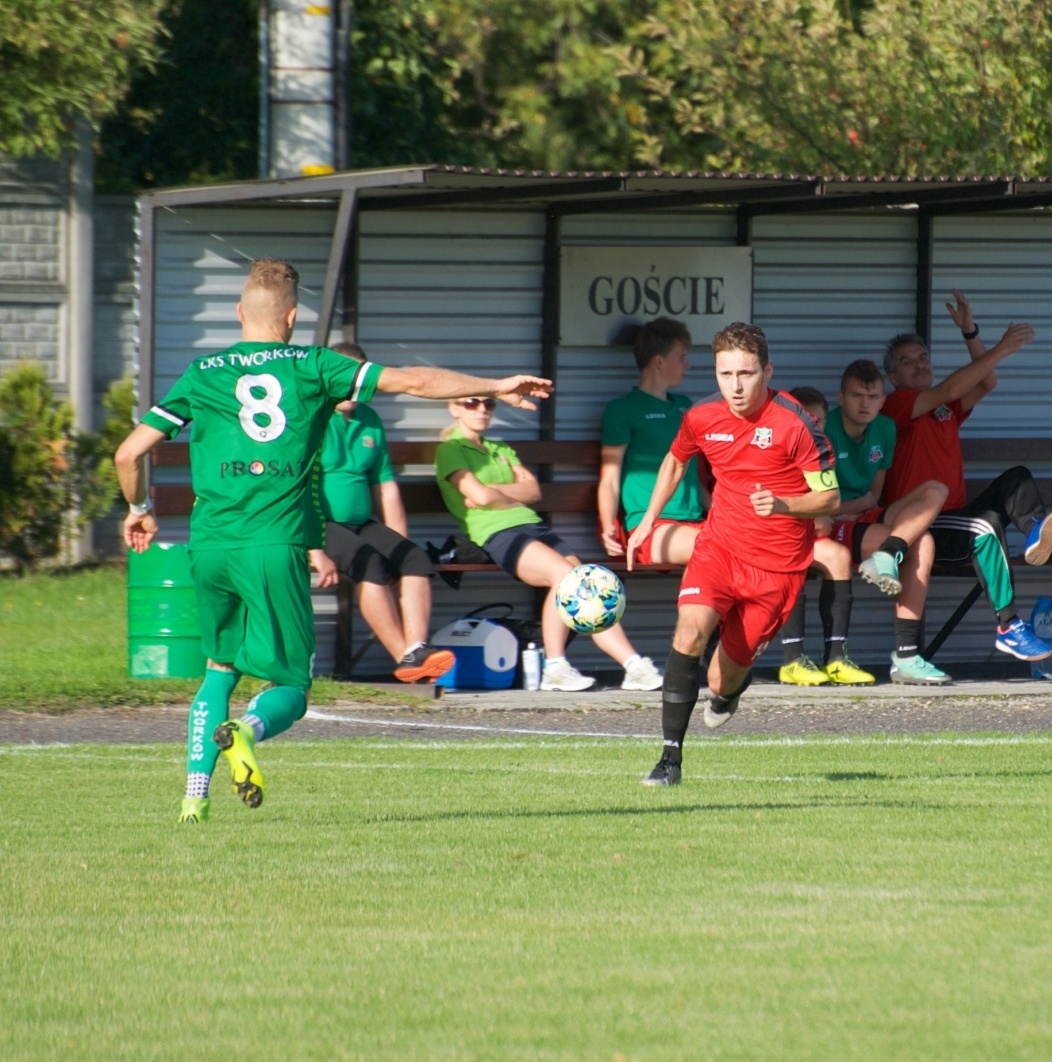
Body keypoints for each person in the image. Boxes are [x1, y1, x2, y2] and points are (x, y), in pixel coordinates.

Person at [114, 258, 554, 823]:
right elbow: (416, 381)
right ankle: (245, 730)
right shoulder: (312, 366)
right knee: (291, 685)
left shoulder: (203, 373)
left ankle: (193, 799)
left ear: (238, 312)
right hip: (272, 547)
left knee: (219, 668)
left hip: (210, 547)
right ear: (292, 318)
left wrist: (139, 508)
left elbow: (128, 453)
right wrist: (497, 384)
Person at [627, 322, 838, 786]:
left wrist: (785, 505)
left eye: (746, 373)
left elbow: (830, 499)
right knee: (689, 633)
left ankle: (726, 696)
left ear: (767, 370)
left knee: (722, 680)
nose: (735, 386)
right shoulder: (702, 416)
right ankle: (669, 762)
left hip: (777, 569)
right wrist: (647, 520)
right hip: (719, 547)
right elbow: (676, 458)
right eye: (726, 374)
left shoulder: (798, 423)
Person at [879, 291, 1052, 663]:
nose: (919, 366)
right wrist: (1001, 348)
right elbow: (951, 387)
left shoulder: (945, 408)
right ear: (893, 377)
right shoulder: (895, 405)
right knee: (984, 527)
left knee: (1015, 479)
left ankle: (1036, 532)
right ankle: (1008, 626)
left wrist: (970, 333)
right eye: (907, 362)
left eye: (923, 358)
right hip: (925, 526)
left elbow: (985, 382)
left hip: (955, 516)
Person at [435, 396, 663, 694]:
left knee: (589, 584)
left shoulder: (499, 447)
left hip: (532, 525)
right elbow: (478, 498)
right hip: (496, 532)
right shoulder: (450, 450)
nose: (481, 409)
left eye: (489, 404)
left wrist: (493, 491)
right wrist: (500, 493)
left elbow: (533, 492)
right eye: (471, 403)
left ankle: (633, 666)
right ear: (453, 408)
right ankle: (554, 667)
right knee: (566, 578)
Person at [318, 341, 454, 683]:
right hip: (318, 523)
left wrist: (397, 543)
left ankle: (417, 649)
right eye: (343, 377)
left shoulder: (369, 420)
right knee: (370, 563)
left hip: (361, 522)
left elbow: (386, 487)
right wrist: (312, 547)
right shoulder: (311, 417)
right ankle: (405, 660)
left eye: (357, 379)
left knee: (413, 559)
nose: (351, 386)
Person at [822, 362, 953, 685]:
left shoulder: (885, 429)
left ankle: (887, 554)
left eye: (872, 396)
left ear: (883, 400)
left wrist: (862, 505)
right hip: (832, 523)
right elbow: (824, 502)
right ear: (841, 397)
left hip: (863, 514)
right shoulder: (826, 428)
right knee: (924, 543)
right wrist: (852, 506)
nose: (864, 403)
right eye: (856, 395)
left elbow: (875, 495)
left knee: (937, 489)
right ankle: (907, 655)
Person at [771, 386, 883, 687]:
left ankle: (835, 658)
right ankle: (792, 659)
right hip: (771, 536)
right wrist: (813, 517)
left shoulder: (822, 455)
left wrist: (823, 516)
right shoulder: (773, 451)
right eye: (807, 421)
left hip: (806, 532)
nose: (812, 428)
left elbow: (828, 502)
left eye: (818, 422)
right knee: (794, 556)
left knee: (839, 556)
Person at [597, 317, 705, 568]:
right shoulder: (623, 410)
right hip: (651, 528)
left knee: (747, 548)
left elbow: (693, 474)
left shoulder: (685, 407)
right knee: (711, 549)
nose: (688, 365)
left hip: (698, 522)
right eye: (682, 357)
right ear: (659, 361)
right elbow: (610, 479)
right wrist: (607, 526)